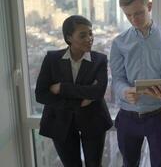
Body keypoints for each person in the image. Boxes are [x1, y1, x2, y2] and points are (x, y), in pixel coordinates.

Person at [110, 0, 161, 167]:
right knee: (129, 164)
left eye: (138, 13)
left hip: (158, 116)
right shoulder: (118, 43)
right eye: (128, 15)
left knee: (159, 164)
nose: (133, 19)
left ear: (149, 6)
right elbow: (117, 79)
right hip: (127, 116)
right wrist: (126, 91)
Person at [35, 15, 113, 167]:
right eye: (83, 35)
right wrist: (81, 99)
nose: (89, 38)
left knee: (94, 164)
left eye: (90, 33)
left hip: (93, 119)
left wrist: (62, 88)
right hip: (59, 121)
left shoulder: (100, 60)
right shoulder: (52, 59)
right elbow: (41, 94)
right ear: (69, 37)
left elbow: (98, 92)